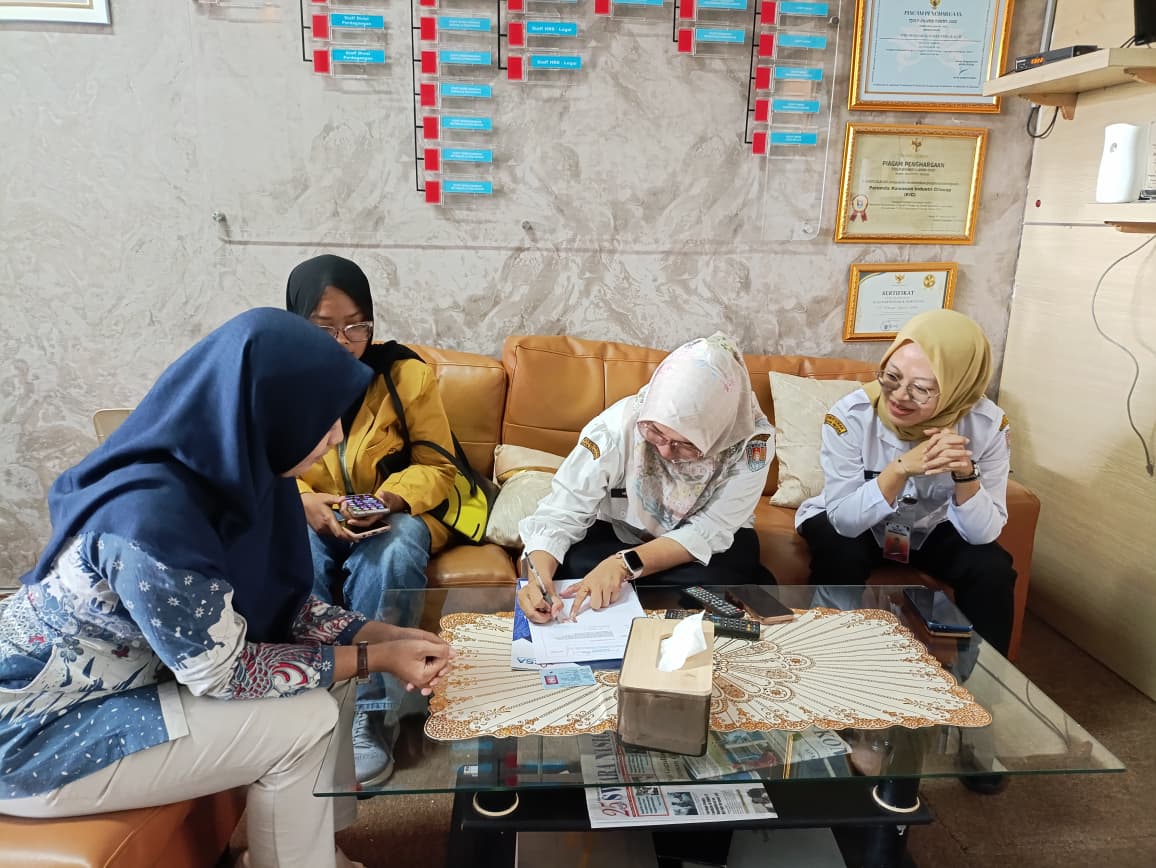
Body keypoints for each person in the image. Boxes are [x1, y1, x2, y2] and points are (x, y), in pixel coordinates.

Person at [0, 309, 455, 868]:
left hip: (129, 684)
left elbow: (284, 608)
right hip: (37, 728)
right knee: (308, 718)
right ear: (268, 411)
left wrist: (381, 634)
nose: (336, 435)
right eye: (321, 420)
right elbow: (223, 672)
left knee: (331, 682)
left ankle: (316, 852)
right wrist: (375, 658)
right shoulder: (150, 525)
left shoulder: (253, 475)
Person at [285, 255, 457, 786]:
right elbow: (257, 466)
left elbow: (439, 466)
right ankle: (312, 699)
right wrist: (303, 501)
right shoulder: (277, 378)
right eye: (325, 328)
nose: (344, 342)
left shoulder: (405, 375)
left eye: (356, 326)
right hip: (311, 513)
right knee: (297, 552)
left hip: (390, 514)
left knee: (395, 549)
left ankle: (371, 712)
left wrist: (389, 498)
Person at [795, 309, 1016, 658]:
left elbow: (983, 534)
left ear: (958, 386)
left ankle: (979, 679)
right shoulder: (850, 416)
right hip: (858, 522)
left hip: (932, 525)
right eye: (892, 377)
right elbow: (845, 520)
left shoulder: (988, 425)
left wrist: (965, 474)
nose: (898, 396)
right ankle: (829, 657)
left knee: (992, 567)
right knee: (839, 549)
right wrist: (898, 470)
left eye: (921, 389)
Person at [517, 333, 775, 623]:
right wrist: (538, 579)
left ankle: (628, 590)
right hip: (621, 535)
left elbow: (709, 528)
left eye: (685, 445)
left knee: (725, 572)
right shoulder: (616, 428)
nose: (664, 452)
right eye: (656, 433)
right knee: (574, 567)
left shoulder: (750, 443)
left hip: (696, 550)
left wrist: (624, 565)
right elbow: (562, 512)